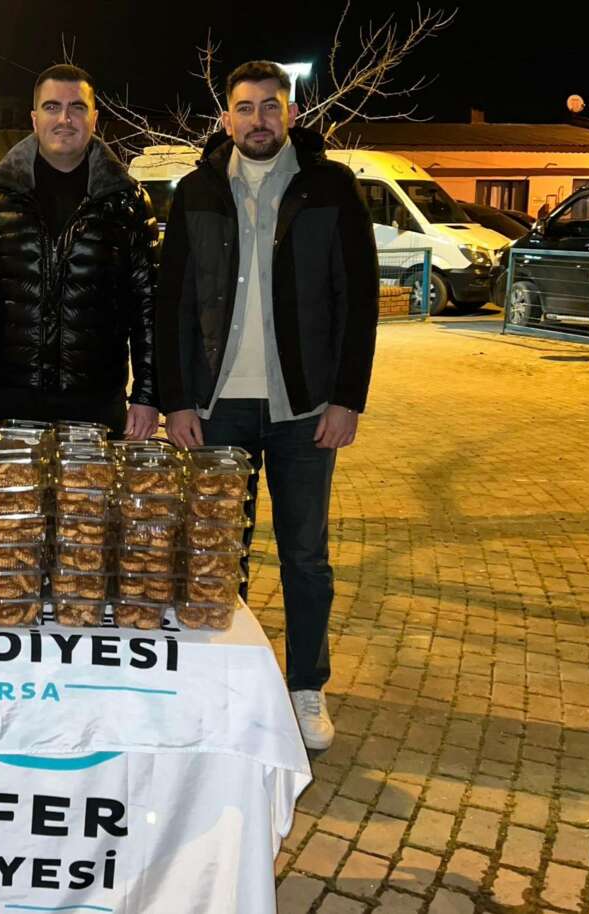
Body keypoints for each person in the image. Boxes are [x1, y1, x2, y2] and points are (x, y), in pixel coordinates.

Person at [155, 61, 379, 750]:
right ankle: (228, 686)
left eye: (271, 106)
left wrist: (346, 398)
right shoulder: (196, 191)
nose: (259, 119)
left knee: (305, 557)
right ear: (226, 118)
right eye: (246, 107)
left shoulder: (330, 188)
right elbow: (172, 303)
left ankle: (306, 687)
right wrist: (176, 400)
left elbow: (358, 300)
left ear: (291, 113)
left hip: (303, 409)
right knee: (220, 554)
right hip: (216, 408)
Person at [0, 64, 159, 439]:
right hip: (6, 397)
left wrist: (147, 394)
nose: (65, 119)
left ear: (94, 118)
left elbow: (147, 305)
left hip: (95, 400)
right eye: (52, 107)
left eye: (77, 107)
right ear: (34, 118)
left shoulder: (126, 200)